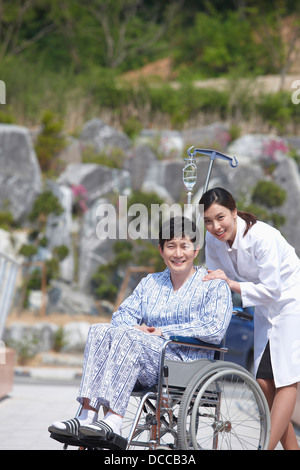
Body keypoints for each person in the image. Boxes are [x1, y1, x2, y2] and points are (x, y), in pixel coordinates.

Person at [49, 216, 232, 442]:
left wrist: (163, 332)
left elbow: (214, 328)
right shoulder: (150, 283)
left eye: (184, 246)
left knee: (131, 338)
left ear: (195, 250)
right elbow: (121, 316)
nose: (178, 254)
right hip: (145, 357)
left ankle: (114, 420)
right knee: (100, 329)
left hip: (186, 361)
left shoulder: (213, 284)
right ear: (161, 250)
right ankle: (87, 414)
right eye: (171, 246)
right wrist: (137, 328)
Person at [199, 187, 300, 450]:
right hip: (265, 309)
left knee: (286, 380)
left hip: (291, 302)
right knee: (264, 383)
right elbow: (214, 277)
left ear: (234, 212)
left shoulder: (261, 236)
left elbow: (273, 289)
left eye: (220, 217)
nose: (215, 226)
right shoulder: (213, 239)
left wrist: (231, 284)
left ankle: (263, 448)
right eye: (208, 221)